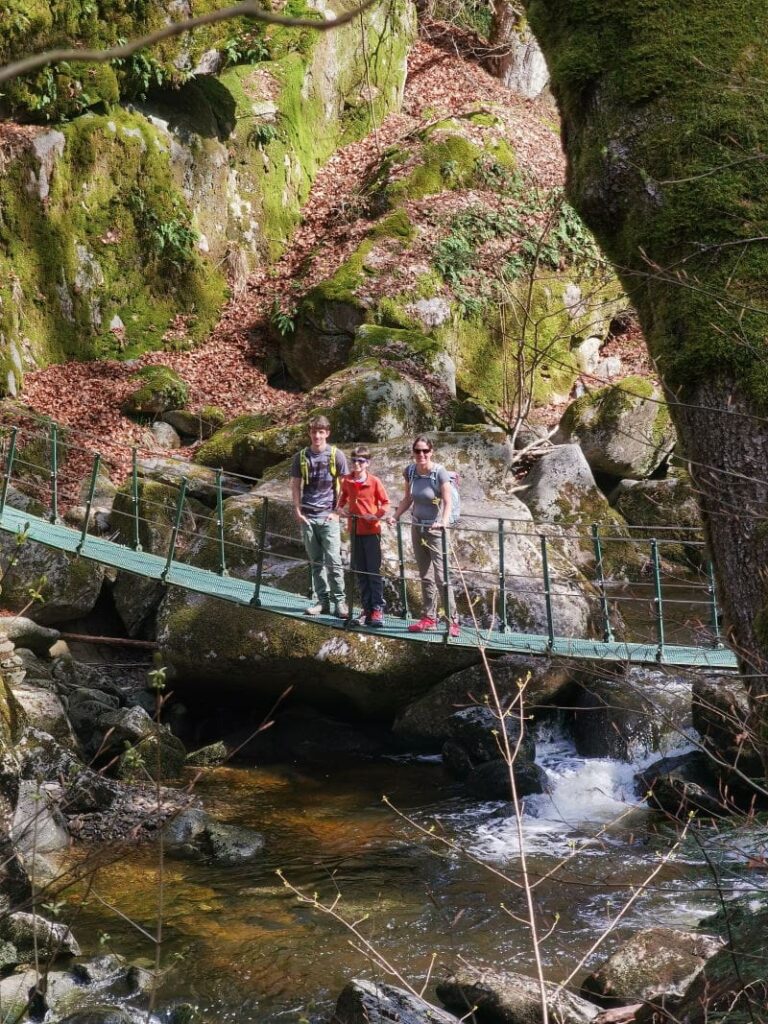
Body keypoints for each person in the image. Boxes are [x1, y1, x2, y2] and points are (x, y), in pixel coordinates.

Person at [393, 436, 459, 637]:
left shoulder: (440, 473)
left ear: (431, 451)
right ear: (413, 452)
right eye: (417, 451)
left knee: (442, 576)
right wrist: (395, 516)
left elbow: (447, 501)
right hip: (417, 527)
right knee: (425, 575)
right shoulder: (410, 471)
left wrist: (444, 522)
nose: (421, 455)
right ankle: (429, 618)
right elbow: (408, 498)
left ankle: (452, 621)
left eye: (425, 451)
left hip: (435, 530)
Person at [290, 416, 349, 617]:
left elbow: (345, 486)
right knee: (316, 562)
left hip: (328, 517)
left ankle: (340, 603)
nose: (317, 435)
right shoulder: (301, 457)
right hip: (308, 516)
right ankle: (323, 602)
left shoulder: (336, 455)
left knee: (334, 561)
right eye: (314, 431)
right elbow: (295, 485)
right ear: (310, 433)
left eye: (321, 432)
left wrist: (336, 512)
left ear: (327, 433)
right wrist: (297, 510)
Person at [337, 445, 390, 627]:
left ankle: (377, 608)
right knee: (360, 571)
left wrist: (376, 516)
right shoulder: (347, 481)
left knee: (372, 571)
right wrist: (339, 508)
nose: (357, 464)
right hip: (355, 531)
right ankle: (366, 608)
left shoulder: (374, 481)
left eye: (361, 461)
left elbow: (385, 503)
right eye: (354, 461)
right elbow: (342, 497)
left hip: (371, 532)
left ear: (367, 463)